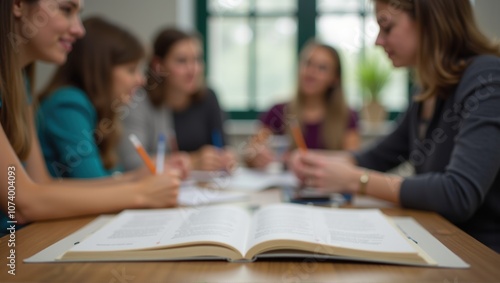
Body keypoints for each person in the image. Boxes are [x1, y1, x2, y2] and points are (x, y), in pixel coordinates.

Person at [290, 0, 500, 252]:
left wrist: (357, 181)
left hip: (480, 257)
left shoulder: (487, 79)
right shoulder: (426, 92)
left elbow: (458, 193)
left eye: (387, 27)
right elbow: (374, 158)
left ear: (429, 20)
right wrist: (314, 161)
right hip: (439, 243)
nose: (378, 41)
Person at [0, 0, 179, 233]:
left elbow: (41, 184)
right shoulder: (69, 102)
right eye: (66, 9)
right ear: (18, 5)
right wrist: (142, 192)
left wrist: (136, 180)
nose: (79, 29)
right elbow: (21, 202)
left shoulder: (21, 85)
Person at [37, 17, 188, 179]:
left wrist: (140, 177)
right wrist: (139, 181)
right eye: (131, 70)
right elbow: (94, 185)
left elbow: (109, 176)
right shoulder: (68, 103)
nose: (141, 79)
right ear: (100, 72)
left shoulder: (93, 109)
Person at [118, 27, 235, 172]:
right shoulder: (137, 101)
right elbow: (132, 163)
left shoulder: (209, 97)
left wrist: (226, 158)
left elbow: (223, 147)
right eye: (181, 61)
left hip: (207, 189)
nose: (193, 70)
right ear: (158, 65)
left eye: (197, 59)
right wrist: (193, 161)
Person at [244, 41, 359, 169]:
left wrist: (306, 159)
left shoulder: (347, 116)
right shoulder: (279, 111)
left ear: (335, 78)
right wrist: (255, 156)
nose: (311, 72)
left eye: (322, 68)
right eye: (308, 63)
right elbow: (250, 151)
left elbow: (353, 161)